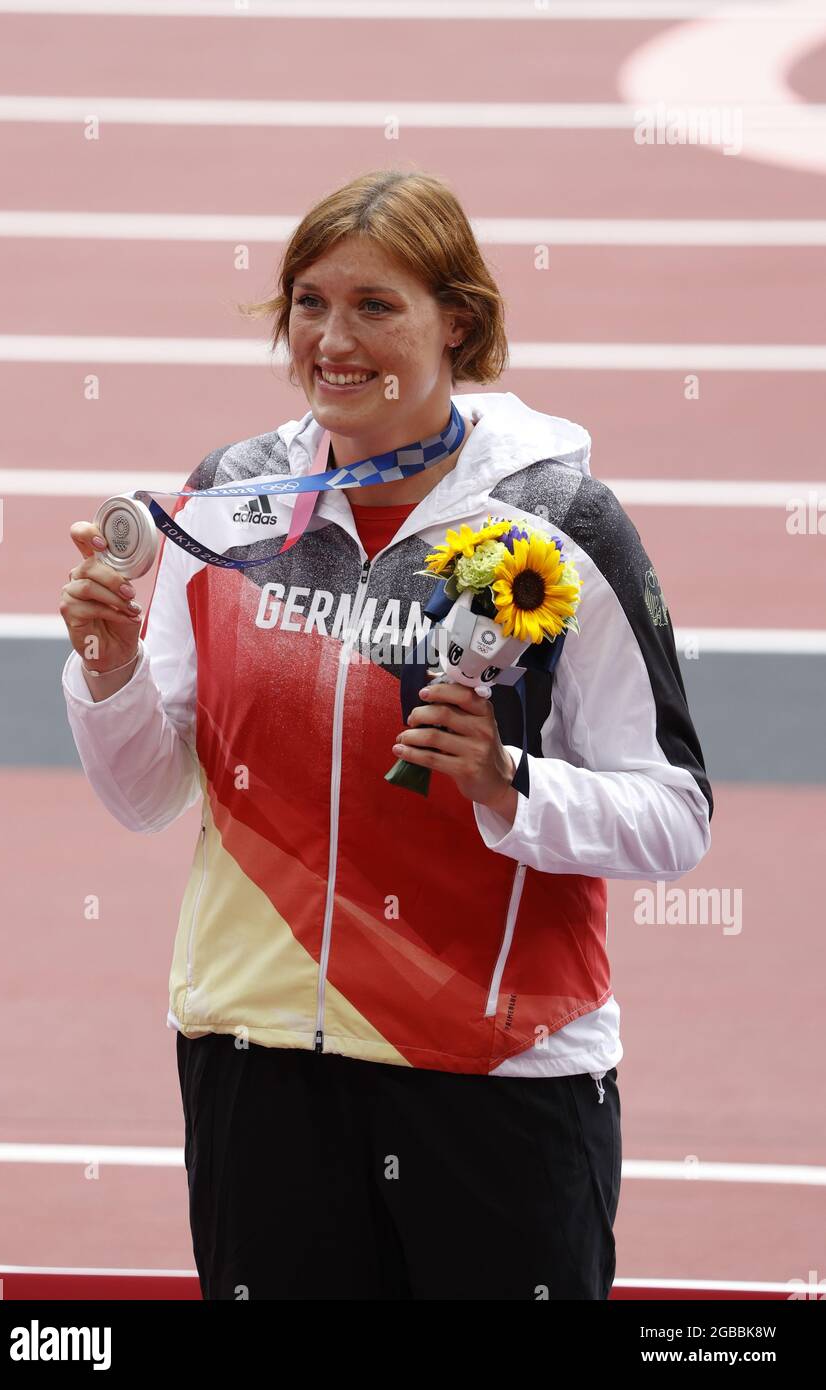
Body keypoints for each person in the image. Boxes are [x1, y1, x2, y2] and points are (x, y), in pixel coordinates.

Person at [59, 169, 714, 1301]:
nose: (332, 339)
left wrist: (509, 786)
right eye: (308, 302)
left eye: (375, 305)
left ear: (455, 319)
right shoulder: (222, 507)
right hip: (259, 1063)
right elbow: (147, 792)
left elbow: (674, 815)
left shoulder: (557, 523)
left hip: (493, 1075)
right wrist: (107, 672)